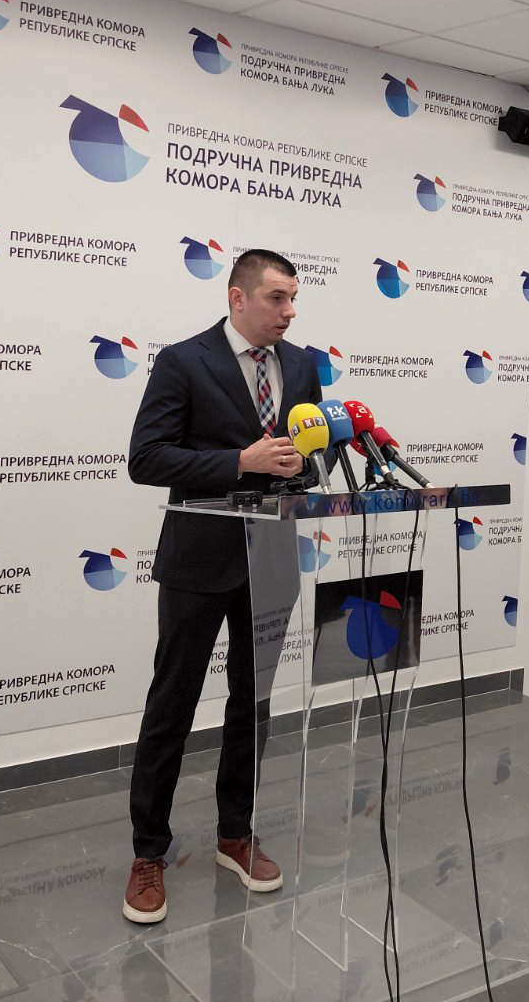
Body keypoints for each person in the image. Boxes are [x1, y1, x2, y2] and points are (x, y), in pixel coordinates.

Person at [121, 249, 322, 924]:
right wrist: (240, 460)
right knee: (172, 704)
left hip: (271, 558)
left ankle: (236, 833)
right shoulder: (184, 361)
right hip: (198, 561)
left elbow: (309, 458)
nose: (289, 312)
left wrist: (301, 468)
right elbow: (147, 457)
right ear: (238, 297)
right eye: (276, 298)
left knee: (252, 703)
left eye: (293, 299)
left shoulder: (302, 365)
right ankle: (149, 852)